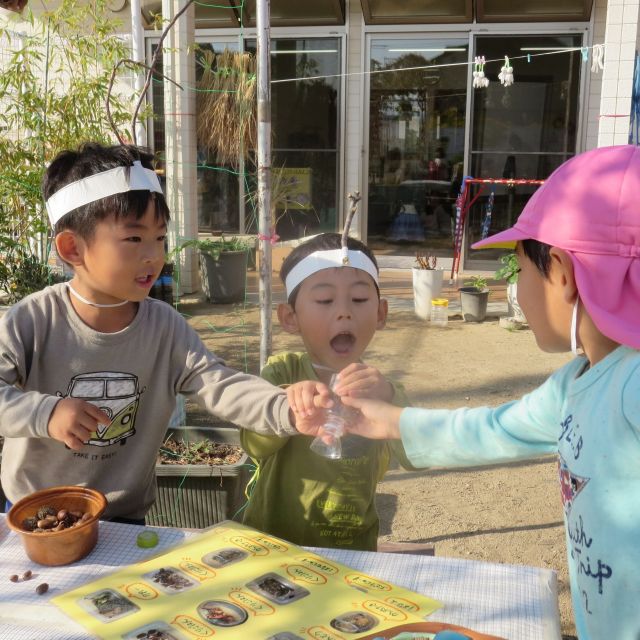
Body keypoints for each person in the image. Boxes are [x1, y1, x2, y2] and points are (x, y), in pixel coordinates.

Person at [292, 145, 640, 640]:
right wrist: (385, 420)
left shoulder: (632, 381)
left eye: (518, 272)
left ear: (561, 274)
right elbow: (490, 430)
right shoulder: (577, 382)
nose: (514, 289)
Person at [0, 142, 321, 524]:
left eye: (160, 238)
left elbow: (220, 384)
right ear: (72, 247)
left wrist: (289, 409)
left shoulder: (165, 329)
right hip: (35, 515)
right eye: (134, 239)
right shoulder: (31, 321)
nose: (154, 256)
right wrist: (46, 412)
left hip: (125, 517)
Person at [240, 232, 415, 550]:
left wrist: (391, 397)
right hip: (273, 543)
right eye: (324, 301)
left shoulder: (380, 390)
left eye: (360, 300)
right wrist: (290, 408)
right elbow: (253, 445)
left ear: (381, 313)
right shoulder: (282, 371)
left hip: (352, 549)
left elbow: (417, 458)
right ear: (290, 318)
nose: (344, 312)